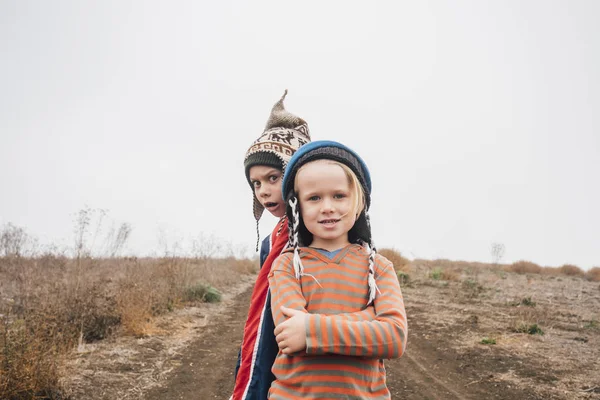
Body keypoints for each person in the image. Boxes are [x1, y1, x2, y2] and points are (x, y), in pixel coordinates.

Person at [267, 140, 408, 399]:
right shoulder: (287, 265)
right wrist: (369, 318)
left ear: (359, 202)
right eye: (314, 198)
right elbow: (292, 335)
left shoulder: (379, 267)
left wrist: (312, 329)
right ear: (297, 207)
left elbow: (394, 337)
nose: (328, 206)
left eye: (339, 195)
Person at [230, 90, 311, 400]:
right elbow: (262, 313)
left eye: (273, 177)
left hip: (300, 367)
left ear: (296, 174)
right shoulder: (270, 241)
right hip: (264, 347)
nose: (263, 191)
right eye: (256, 183)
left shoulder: (315, 235)